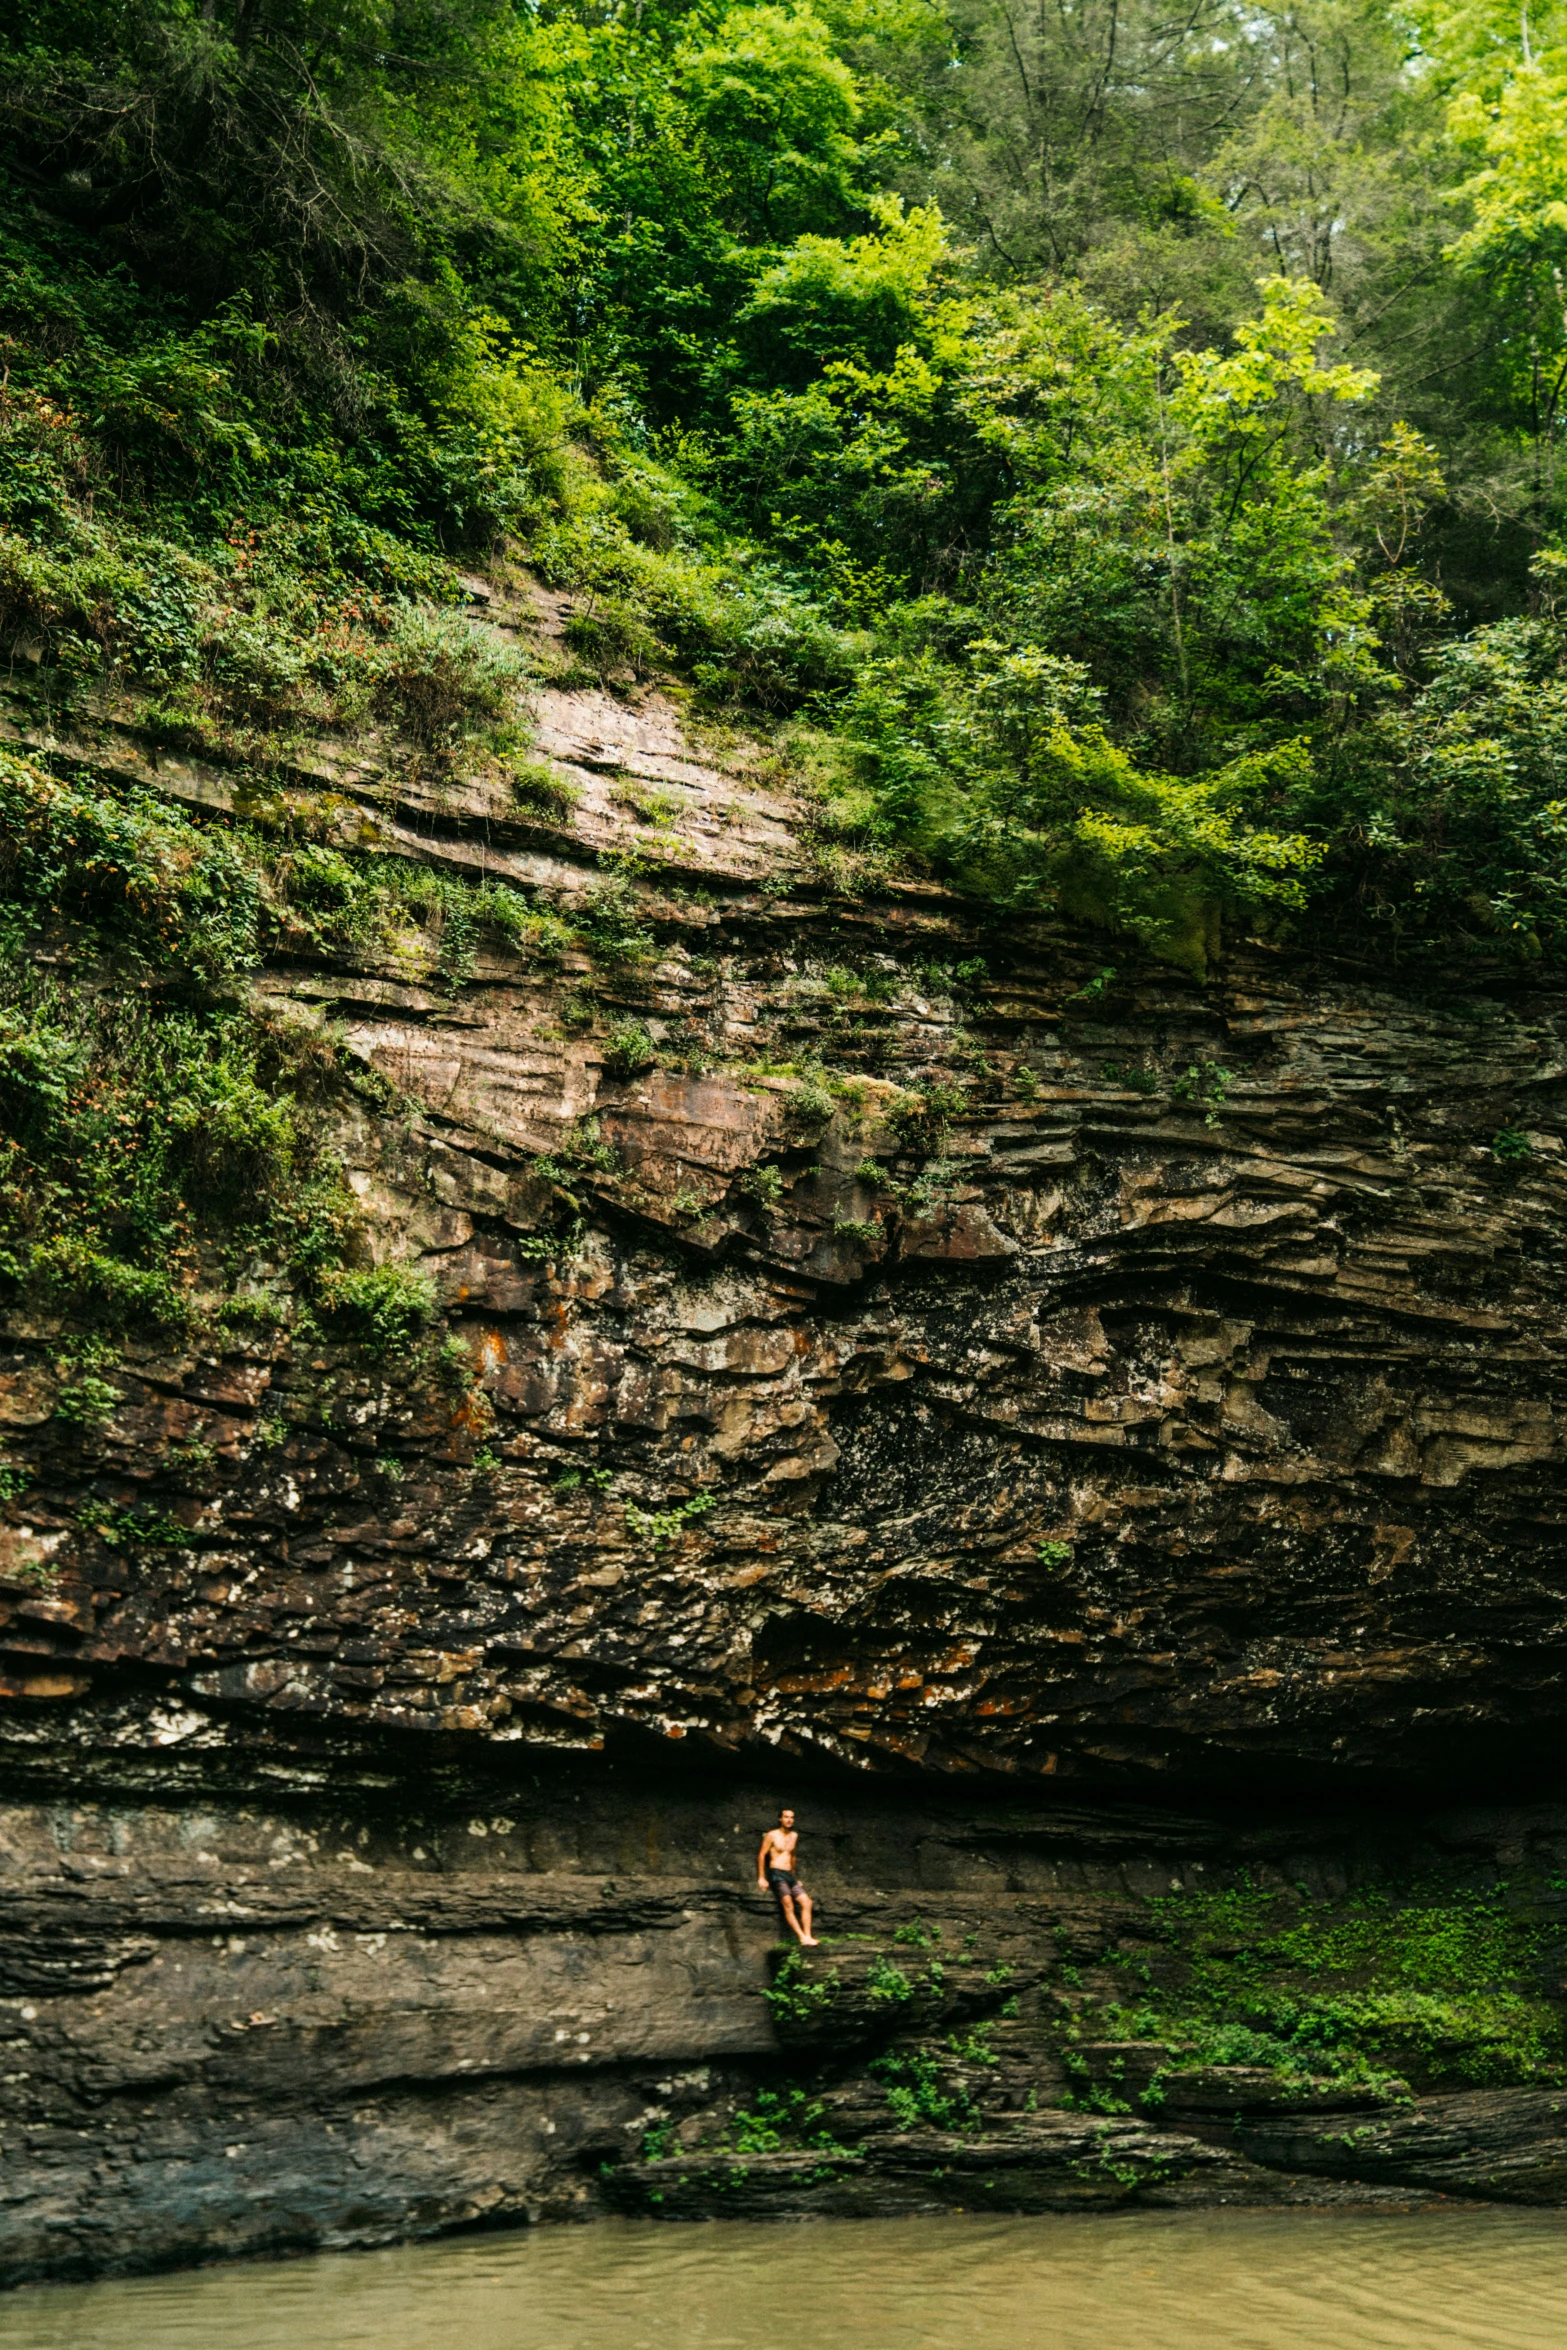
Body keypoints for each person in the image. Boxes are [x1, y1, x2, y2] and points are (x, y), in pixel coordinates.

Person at [756, 1806, 818, 1946]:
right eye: (786, 1817)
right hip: (776, 1873)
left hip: (789, 1874)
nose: (789, 1820)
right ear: (780, 1819)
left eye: (791, 1817)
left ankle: (808, 1935)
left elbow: (793, 1856)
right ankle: (801, 1937)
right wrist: (761, 1877)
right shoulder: (772, 1835)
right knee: (789, 1904)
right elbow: (761, 1855)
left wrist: (794, 1876)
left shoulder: (794, 1836)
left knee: (807, 1902)